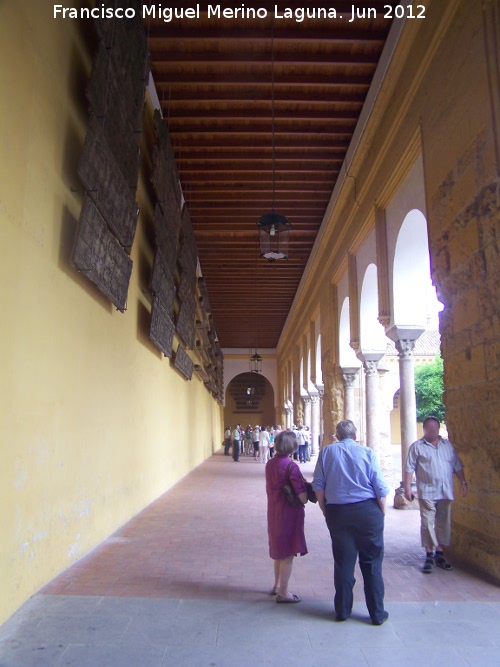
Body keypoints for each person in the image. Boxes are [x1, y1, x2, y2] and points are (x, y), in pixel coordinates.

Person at [312, 419, 390, 625]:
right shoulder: (367, 453)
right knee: (372, 563)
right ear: (355, 435)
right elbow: (380, 487)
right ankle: (377, 613)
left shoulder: (327, 452)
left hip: (338, 512)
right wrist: (380, 511)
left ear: (337, 436)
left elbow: (318, 485)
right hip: (367, 511)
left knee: (343, 563)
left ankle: (343, 610)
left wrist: (325, 510)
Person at [404, 416, 468, 574]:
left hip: (445, 491)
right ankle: (428, 554)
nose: (432, 431)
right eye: (429, 428)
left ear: (439, 429)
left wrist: (463, 482)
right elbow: (409, 468)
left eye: (435, 428)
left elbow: (456, 465)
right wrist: (407, 488)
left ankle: (440, 553)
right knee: (427, 522)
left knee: (443, 523)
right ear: (424, 429)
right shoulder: (417, 447)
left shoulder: (448, 446)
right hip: (427, 491)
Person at [266, 430, 308, 603]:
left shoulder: (270, 464)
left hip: (274, 511)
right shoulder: (292, 466)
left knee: (278, 551)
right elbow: (302, 496)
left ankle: (276, 584)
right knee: (287, 554)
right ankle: (284, 592)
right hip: (289, 514)